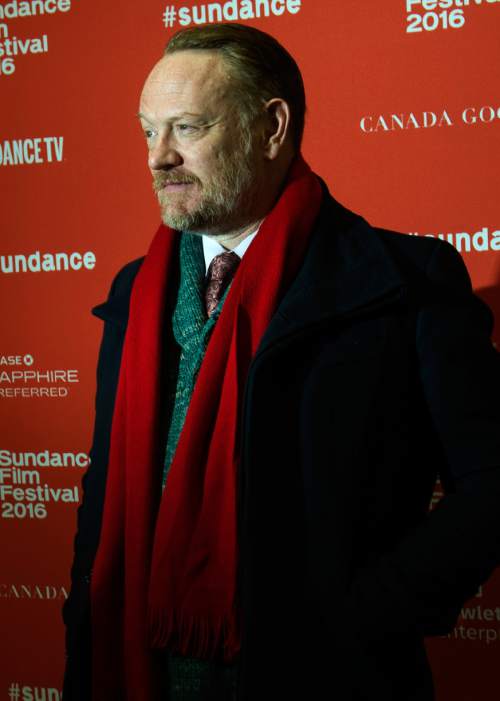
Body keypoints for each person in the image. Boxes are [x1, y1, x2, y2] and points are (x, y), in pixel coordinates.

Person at [63, 22, 500, 701]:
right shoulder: (132, 293)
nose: (158, 157)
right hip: (138, 673)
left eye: (186, 127)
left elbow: (492, 486)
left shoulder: (404, 282)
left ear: (271, 126)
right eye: (148, 131)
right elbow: (105, 499)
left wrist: (364, 618)